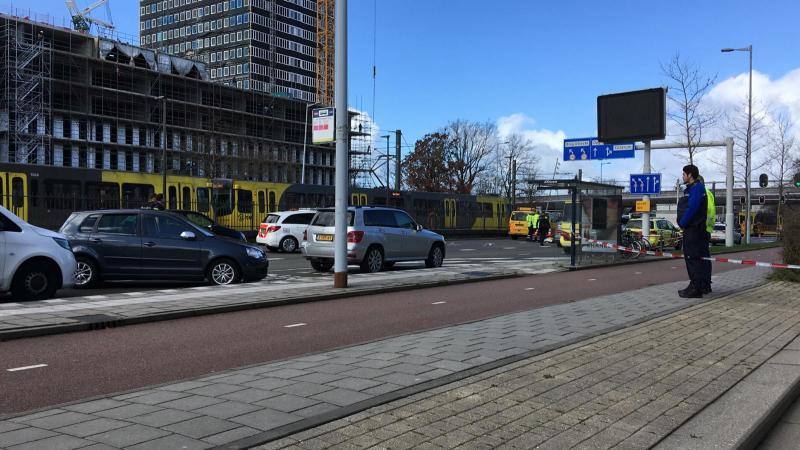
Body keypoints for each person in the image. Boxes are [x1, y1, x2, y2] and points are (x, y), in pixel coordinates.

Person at [677, 164, 709, 298]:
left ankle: (696, 289)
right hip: (695, 229)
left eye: (684, 174)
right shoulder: (694, 188)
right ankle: (697, 285)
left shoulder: (696, 189)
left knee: (692, 258)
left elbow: (692, 208)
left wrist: (683, 223)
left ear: (690, 175)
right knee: (694, 258)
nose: (683, 176)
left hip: (693, 230)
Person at [699, 176, 715, 294]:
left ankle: (704, 284)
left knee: (701, 259)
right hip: (706, 229)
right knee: (705, 258)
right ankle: (705, 283)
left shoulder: (704, 193)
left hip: (702, 230)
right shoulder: (708, 193)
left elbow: (707, 211)